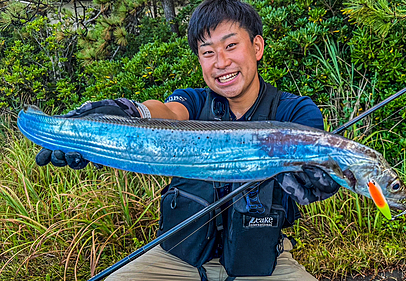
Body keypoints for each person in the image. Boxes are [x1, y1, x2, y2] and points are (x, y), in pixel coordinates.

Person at [35, 0, 341, 280]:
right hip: (176, 258)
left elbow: (317, 152)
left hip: (264, 263)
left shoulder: (295, 110)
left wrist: (320, 173)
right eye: (208, 52)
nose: (221, 62)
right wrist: (129, 111)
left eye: (231, 45)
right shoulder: (194, 103)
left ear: (257, 46)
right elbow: (165, 113)